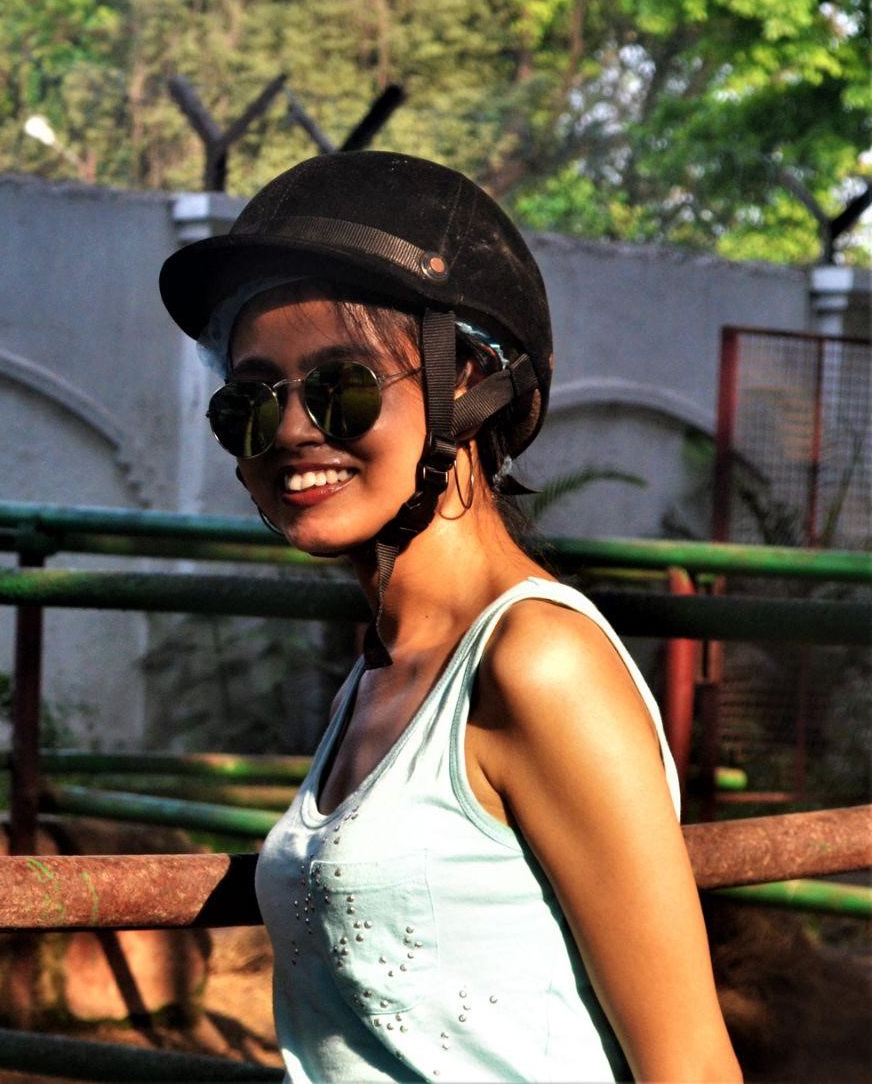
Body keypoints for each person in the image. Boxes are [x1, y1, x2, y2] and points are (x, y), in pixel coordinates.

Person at [157, 151, 740, 1082]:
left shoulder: (537, 660)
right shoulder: (384, 667)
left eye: (342, 387)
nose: (296, 430)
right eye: (252, 403)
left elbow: (690, 1062)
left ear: (465, 380)